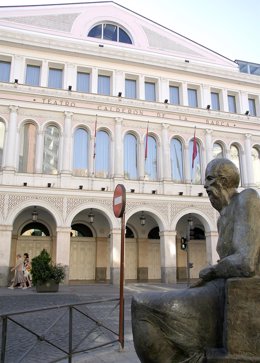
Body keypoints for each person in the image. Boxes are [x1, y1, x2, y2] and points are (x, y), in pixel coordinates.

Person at [131, 158, 260, 363]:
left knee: (142, 304)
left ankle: (193, 358)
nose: (205, 187)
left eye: (209, 180)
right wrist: (210, 275)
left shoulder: (247, 198)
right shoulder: (222, 216)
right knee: (144, 305)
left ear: (224, 180)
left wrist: (211, 272)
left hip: (235, 291)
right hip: (220, 288)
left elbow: (245, 261)